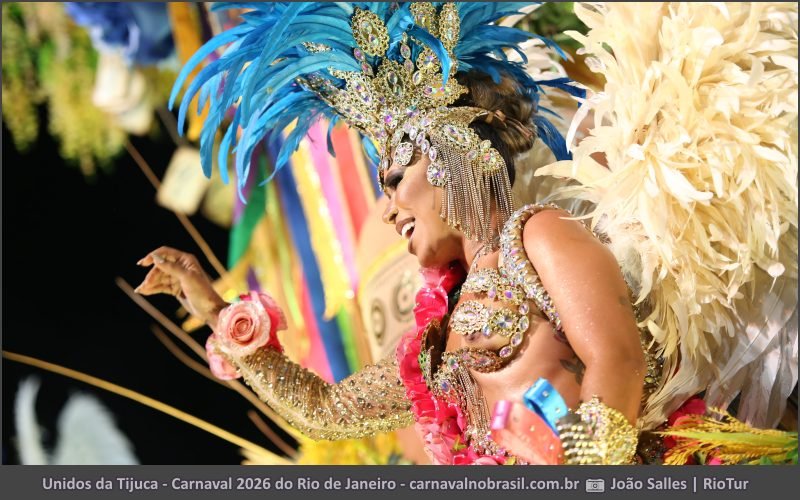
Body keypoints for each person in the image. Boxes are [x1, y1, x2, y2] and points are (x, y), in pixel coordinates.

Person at [135, 2, 797, 464]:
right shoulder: (432, 346)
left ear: (451, 150)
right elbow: (324, 412)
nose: (389, 207)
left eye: (394, 176)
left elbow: (617, 362)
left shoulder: (539, 237)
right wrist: (221, 315)